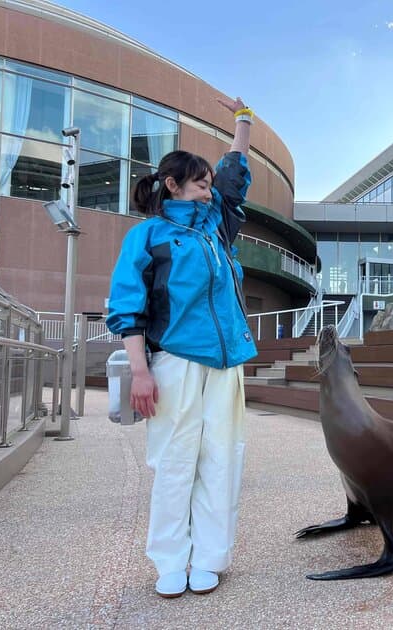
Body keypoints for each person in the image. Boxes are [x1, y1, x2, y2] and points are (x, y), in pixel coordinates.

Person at [106, 96, 257, 598]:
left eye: (210, 185)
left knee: (222, 459)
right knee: (174, 462)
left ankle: (210, 557)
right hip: (173, 361)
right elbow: (128, 307)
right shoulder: (147, 235)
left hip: (226, 364)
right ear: (173, 186)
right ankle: (170, 560)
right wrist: (140, 371)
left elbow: (235, 175)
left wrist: (242, 123)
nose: (210, 191)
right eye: (200, 183)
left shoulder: (219, 228)